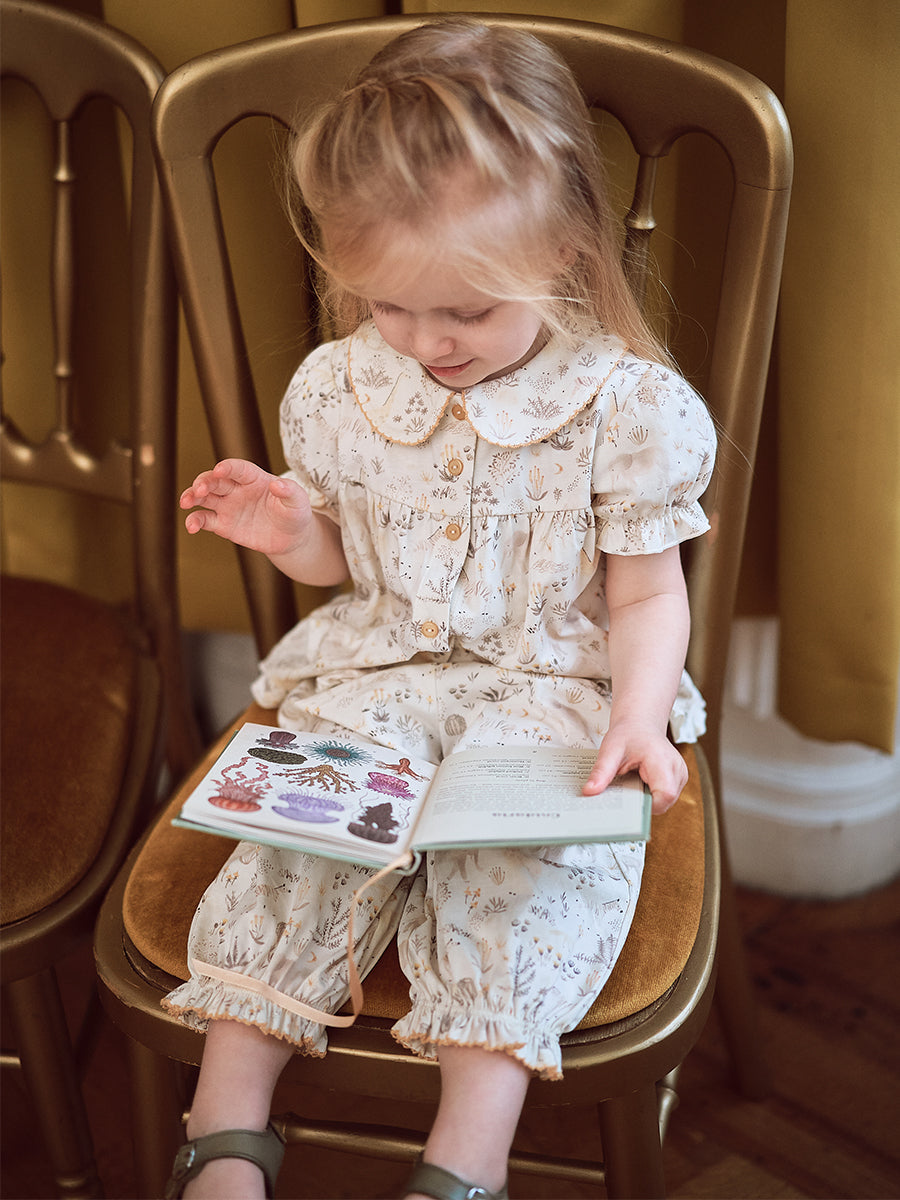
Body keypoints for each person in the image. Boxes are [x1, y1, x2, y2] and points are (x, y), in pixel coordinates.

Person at [163, 17, 716, 1200]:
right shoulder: (343, 386)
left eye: (463, 310)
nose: (426, 342)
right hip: (380, 673)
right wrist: (292, 531)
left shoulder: (624, 408)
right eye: (390, 306)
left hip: (552, 690)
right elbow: (347, 560)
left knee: (519, 876)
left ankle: (464, 1162)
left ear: (562, 251)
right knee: (301, 846)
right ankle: (224, 1135)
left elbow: (646, 587)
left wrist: (639, 711)